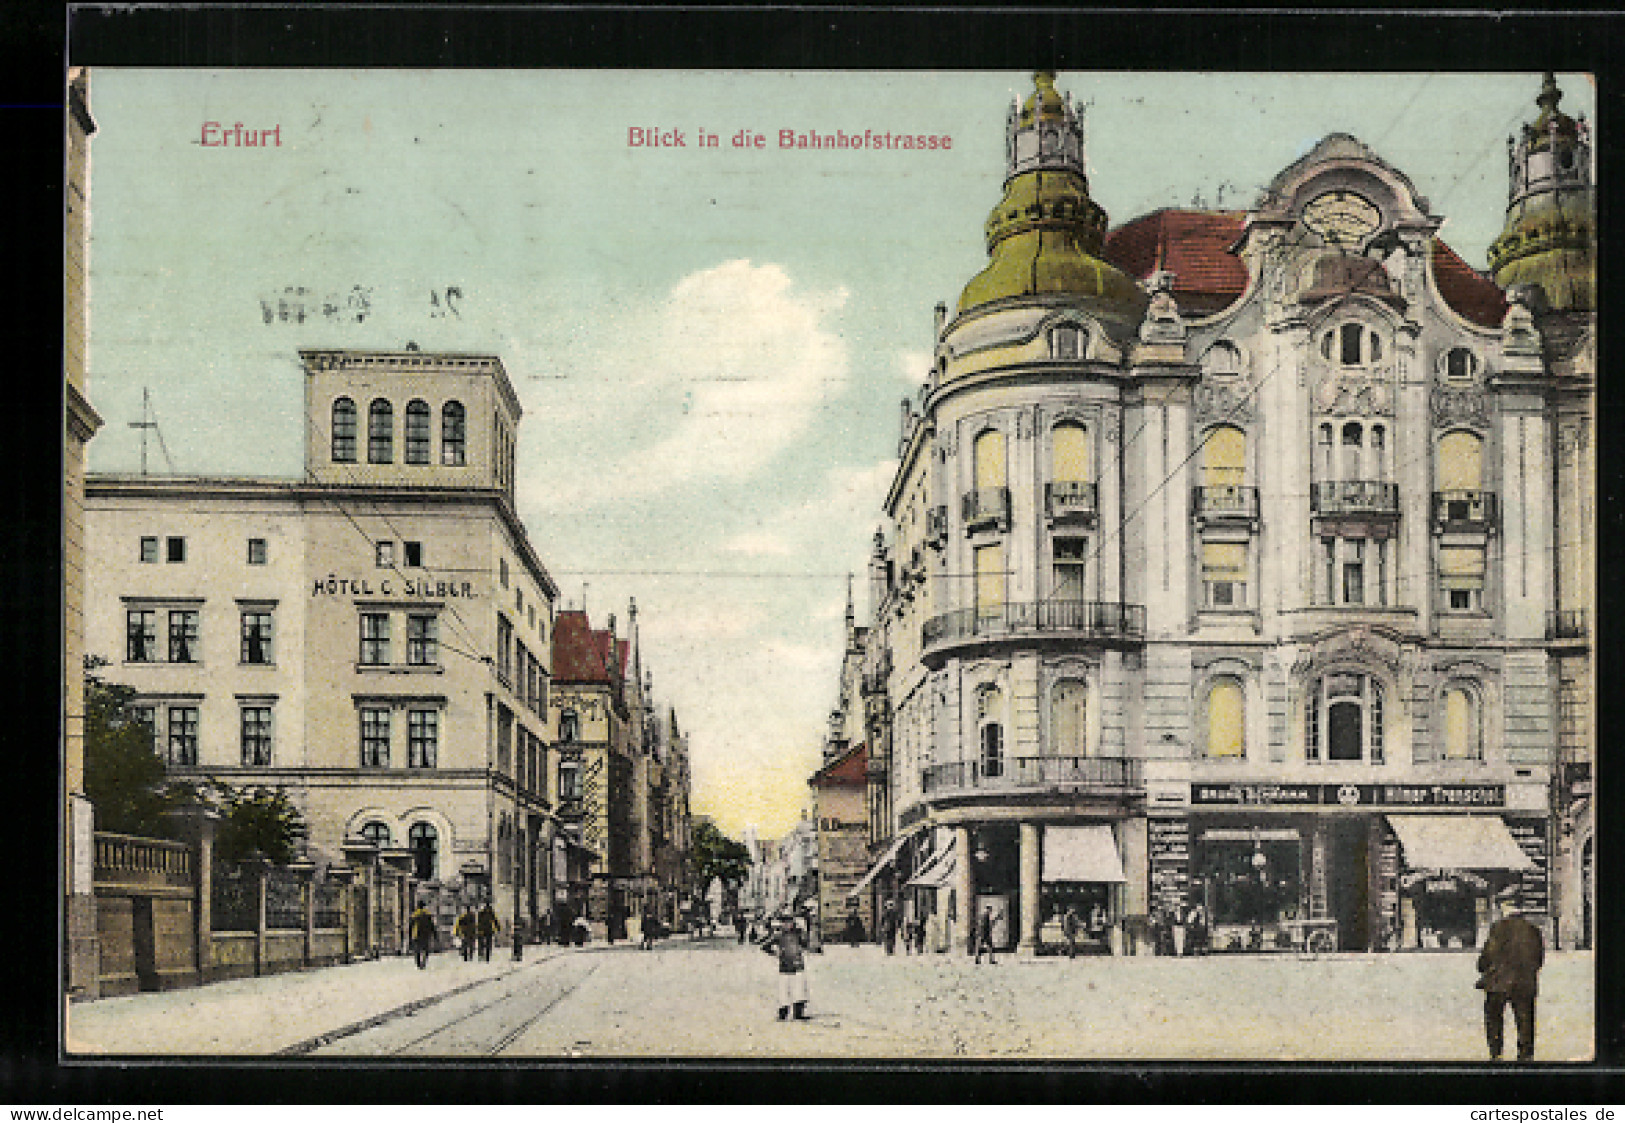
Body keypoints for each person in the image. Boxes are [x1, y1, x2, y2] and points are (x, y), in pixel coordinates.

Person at [1477, 892, 1545, 1061]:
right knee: (1525, 1020)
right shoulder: (1533, 930)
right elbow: (1538, 959)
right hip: (1525, 982)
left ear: (1506, 906)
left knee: (1494, 1018)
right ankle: (1525, 1056)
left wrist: (1482, 967)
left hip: (1498, 982)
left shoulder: (1498, 928)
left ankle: (1496, 1053)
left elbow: (1488, 954)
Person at [760, 913, 811, 1021]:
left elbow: (806, 944)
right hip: (785, 965)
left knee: (799, 990)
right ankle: (783, 1013)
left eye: (790, 922)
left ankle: (799, 1012)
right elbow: (764, 946)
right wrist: (775, 953)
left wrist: (803, 932)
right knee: (784, 990)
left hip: (798, 965)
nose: (788, 925)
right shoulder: (779, 935)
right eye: (785, 923)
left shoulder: (798, 934)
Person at [409, 901, 438, 970]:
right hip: (426, 934)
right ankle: (424, 962)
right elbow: (431, 925)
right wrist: (434, 934)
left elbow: (411, 926)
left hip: (417, 934)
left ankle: (418, 964)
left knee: (417, 950)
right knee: (425, 949)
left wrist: (410, 935)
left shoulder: (415, 914)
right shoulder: (428, 914)